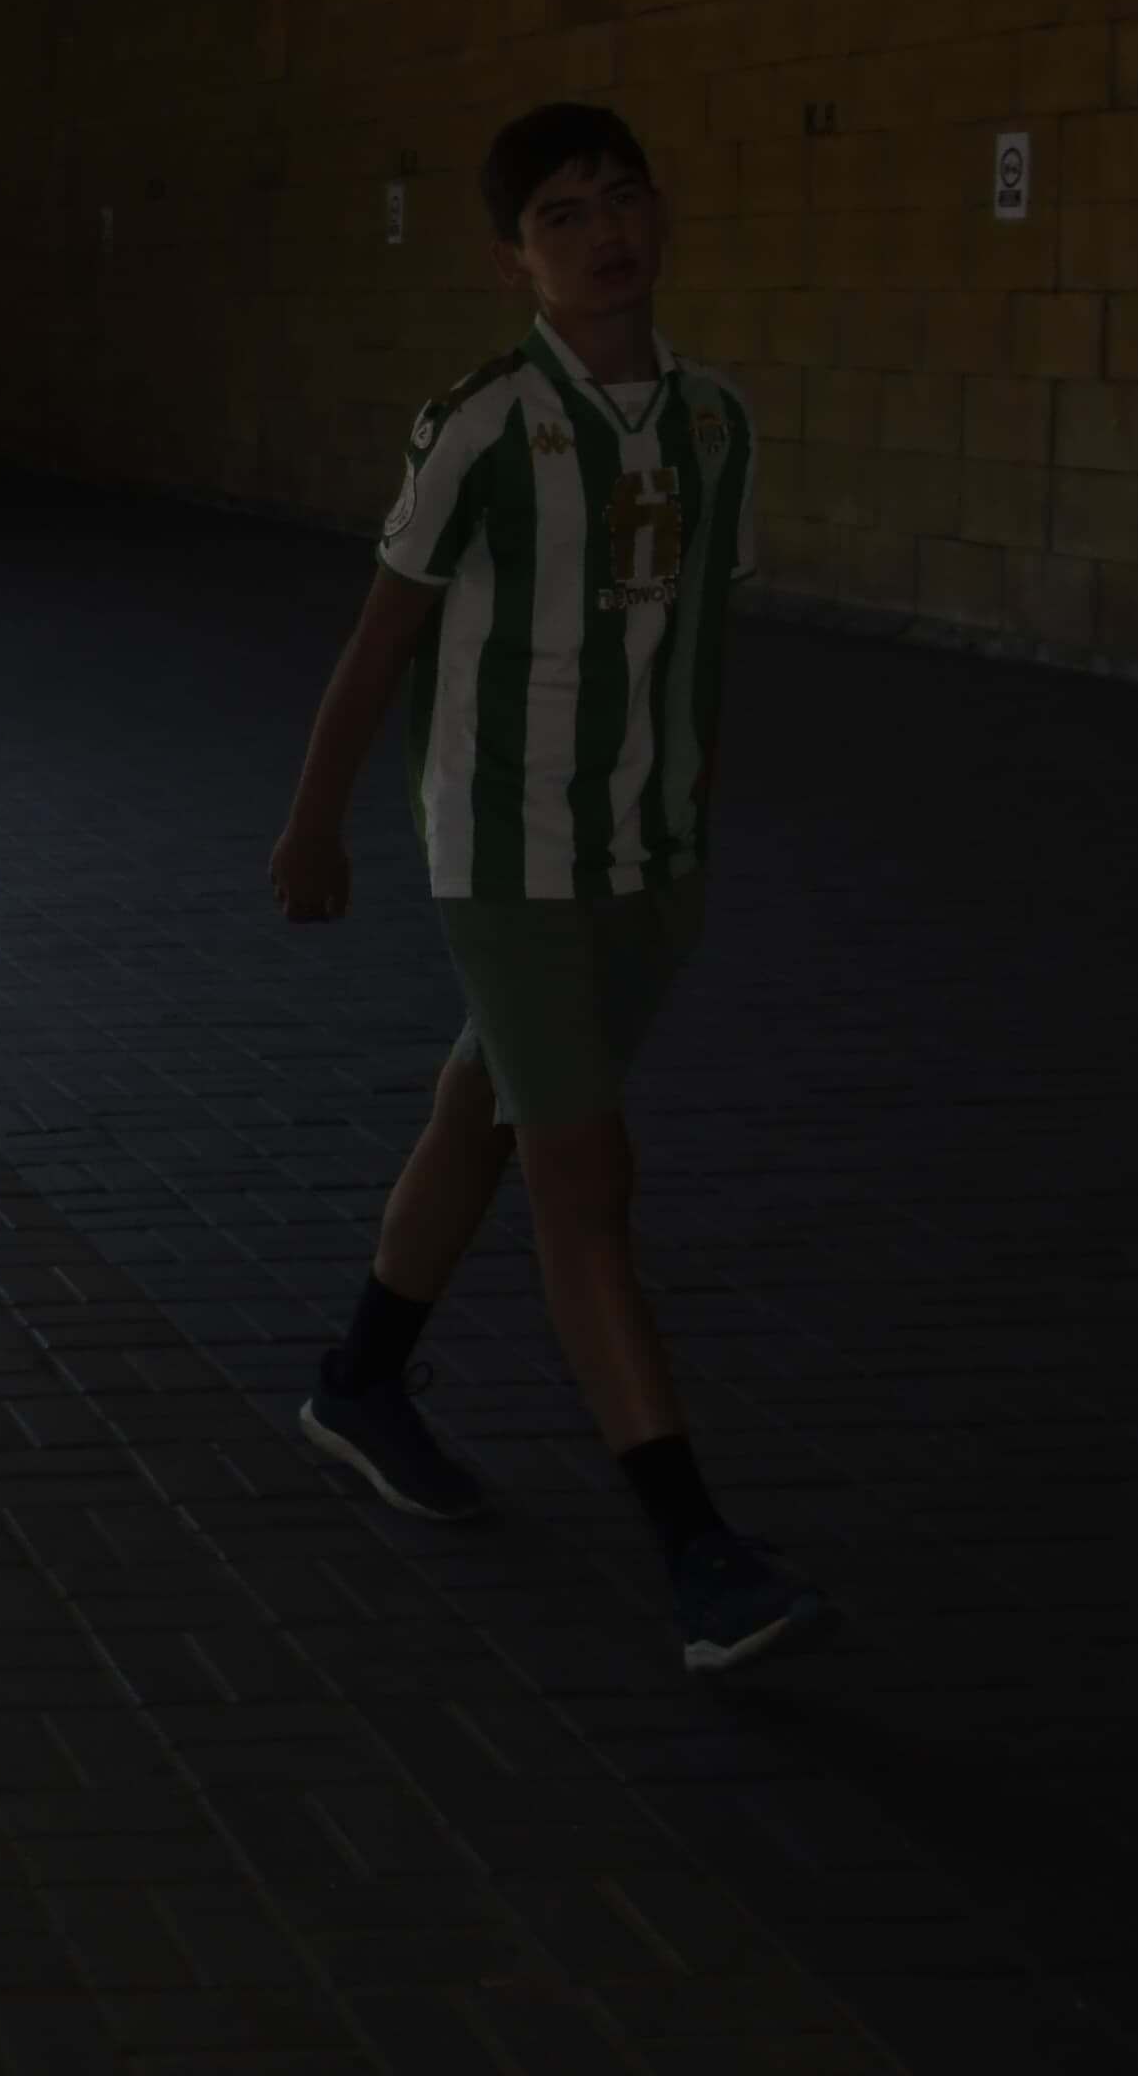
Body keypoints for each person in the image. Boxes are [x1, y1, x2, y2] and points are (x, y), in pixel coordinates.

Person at [264, 100, 831, 1676]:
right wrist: (315, 824)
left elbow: (699, 637)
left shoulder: (717, 423)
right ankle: (697, 1552)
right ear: (514, 256)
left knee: (489, 1111)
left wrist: (686, 810)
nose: (605, 235)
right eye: (563, 216)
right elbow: (384, 636)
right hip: (506, 852)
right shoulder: (486, 425)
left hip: (649, 857)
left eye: (623, 199)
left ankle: (361, 1381)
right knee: (587, 1179)